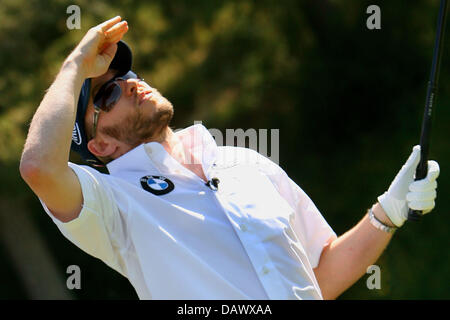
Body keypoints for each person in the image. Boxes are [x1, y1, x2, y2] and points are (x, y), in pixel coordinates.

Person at [20, 17, 440, 300]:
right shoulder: (111, 202)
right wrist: (74, 66)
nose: (130, 85)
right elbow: (39, 167)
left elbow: (321, 273)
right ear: (101, 146)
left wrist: (389, 210)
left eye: (129, 77)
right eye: (108, 94)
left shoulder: (244, 161)